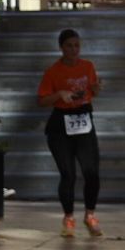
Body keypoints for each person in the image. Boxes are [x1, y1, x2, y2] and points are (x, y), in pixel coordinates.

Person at [37, 29, 102, 237]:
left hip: (83, 121)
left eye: (77, 45)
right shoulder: (53, 72)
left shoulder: (88, 66)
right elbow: (41, 100)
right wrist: (59, 94)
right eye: (69, 46)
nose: (74, 49)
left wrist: (97, 88)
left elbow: (93, 90)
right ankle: (68, 217)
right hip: (61, 125)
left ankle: (90, 214)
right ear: (61, 48)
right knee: (68, 174)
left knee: (91, 171)